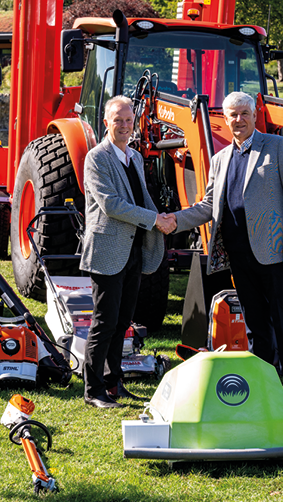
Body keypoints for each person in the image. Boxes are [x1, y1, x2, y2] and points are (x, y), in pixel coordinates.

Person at [165, 91, 283, 414]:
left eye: (244, 113)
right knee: (257, 327)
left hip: (275, 256)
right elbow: (207, 206)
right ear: (225, 119)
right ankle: (264, 386)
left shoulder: (277, 147)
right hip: (239, 258)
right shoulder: (220, 159)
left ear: (255, 114)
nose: (239, 120)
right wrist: (173, 220)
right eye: (233, 115)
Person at [80, 95, 175, 409]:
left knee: (123, 323)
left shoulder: (133, 156)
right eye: (117, 120)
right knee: (104, 322)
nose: (123, 125)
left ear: (135, 123)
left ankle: (113, 383)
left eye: (128, 120)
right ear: (106, 122)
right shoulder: (97, 157)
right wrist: (154, 220)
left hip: (134, 249)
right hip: (108, 250)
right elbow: (111, 204)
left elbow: (142, 198)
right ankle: (93, 391)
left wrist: (167, 220)